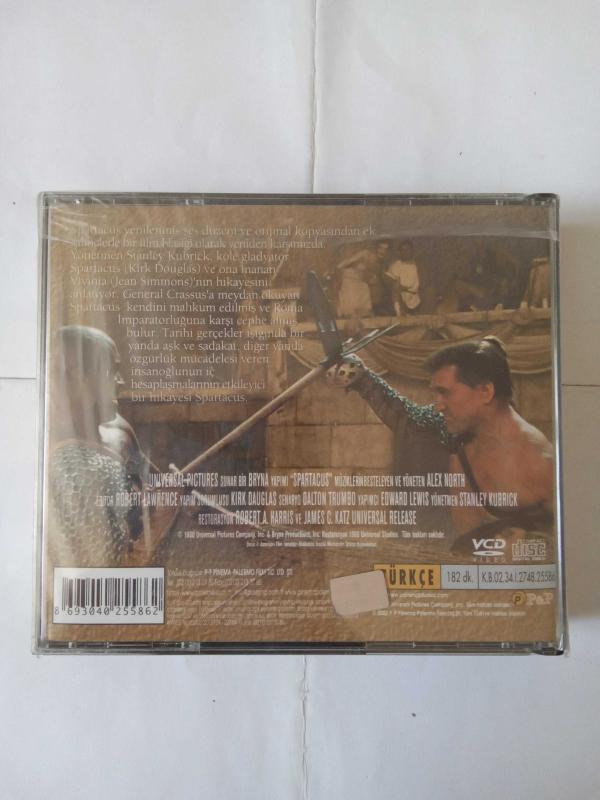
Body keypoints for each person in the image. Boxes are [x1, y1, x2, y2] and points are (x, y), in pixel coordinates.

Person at [327, 336, 554, 552]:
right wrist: (361, 377)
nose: (439, 405)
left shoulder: (541, 464)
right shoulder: (460, 432)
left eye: (445, 393)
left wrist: (528, 546)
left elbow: (567, 543)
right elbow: (411, 419)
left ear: (486, 391)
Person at [49, 326, 145, 565]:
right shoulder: (39, 444)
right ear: (75, 377)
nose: (121, 382)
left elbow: (145, 511)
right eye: (112, 371)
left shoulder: (120, 434)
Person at [333, 241, 390, 318]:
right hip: (350, 279)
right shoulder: (365, 253)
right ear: (376, 248)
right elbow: (349, 261)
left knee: (366, 297)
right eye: (381, 248)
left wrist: (372, 278)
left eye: (385, 249)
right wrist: (338, 267)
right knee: (351, 310)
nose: (382, 251)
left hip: (360, 282)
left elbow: (369, 273)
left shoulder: (379, 261)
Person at [383, 240, 421, 316]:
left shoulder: (418, 266)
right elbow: (391, 282)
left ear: (412, 251)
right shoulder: (397, 265)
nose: (405, 252)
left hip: (416, 297)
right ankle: (399, 313)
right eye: (402, 250)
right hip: (401, 296)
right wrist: (400, 287)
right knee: (395, 291)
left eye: (407, 249)